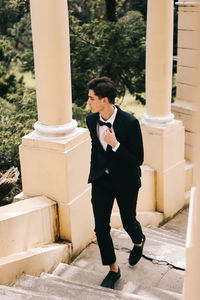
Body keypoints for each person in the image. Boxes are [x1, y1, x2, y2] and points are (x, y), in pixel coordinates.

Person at [86, 77, 145, 289]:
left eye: (91, 98)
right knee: (100, 228)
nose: (88, 103)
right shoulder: (92, 120)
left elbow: (138, 159)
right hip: (102, 180)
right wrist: (95, 172)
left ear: (104, 100)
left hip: (126, 181)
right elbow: (96, 149)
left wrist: (116, 145)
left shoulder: (130, 123)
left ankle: (138, 241)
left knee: (129, 221)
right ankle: (113, 270)